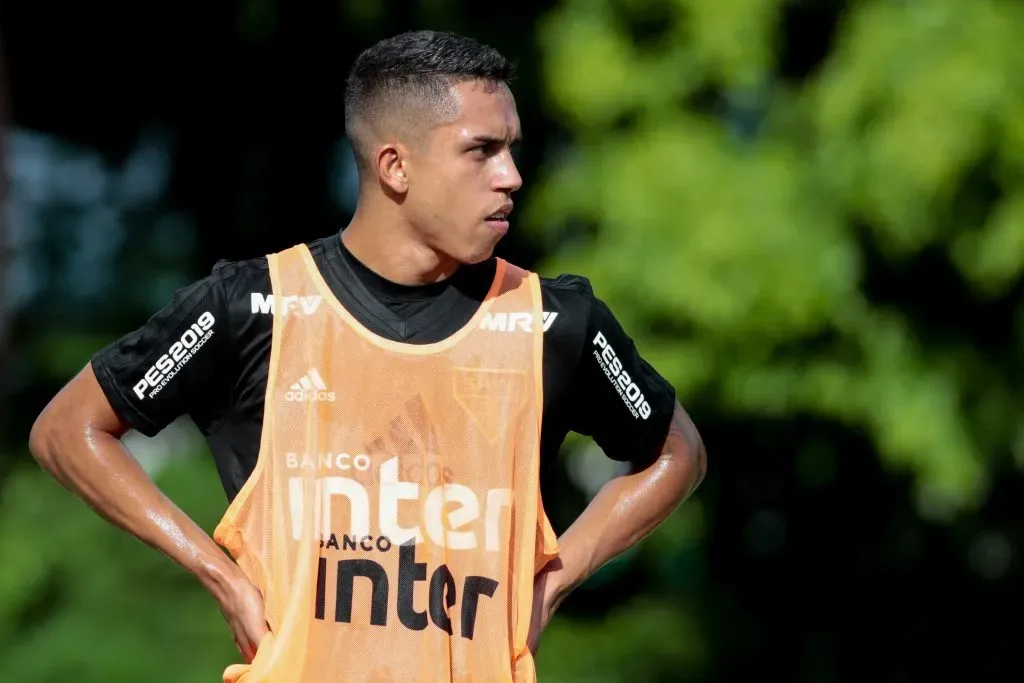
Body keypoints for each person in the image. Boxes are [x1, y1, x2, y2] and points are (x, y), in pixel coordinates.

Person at [28, 30, 706, 683]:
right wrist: (219, 574)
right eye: (482, 150)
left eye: (513, 149)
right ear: (395, 166)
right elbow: (67, 430)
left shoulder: (552, 321)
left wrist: (553, 581)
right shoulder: (252, 304)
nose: (512, 176)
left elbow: (678, 452)